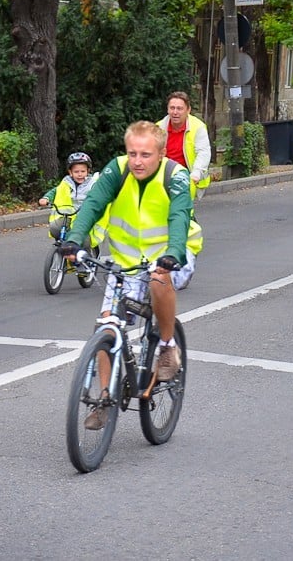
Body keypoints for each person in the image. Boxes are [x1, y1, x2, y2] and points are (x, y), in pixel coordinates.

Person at [60, 121, 202, 429]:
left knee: (158, 279)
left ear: (162, 153)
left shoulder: (175, 176)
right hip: (126, 263)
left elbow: (178, 217)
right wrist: (74, 237)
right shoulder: (117, 169)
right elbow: (94, 203)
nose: (137, 161)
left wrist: (173, 253)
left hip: (172, 256)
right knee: (107, 325)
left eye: (146, 154)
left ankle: (166, 347)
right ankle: (103, 398)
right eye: (132, 153)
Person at [38, 152, 101, 251]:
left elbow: (99, 195)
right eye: (76, 172)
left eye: (83, 171)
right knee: (55, 228)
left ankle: (85, 260)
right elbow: (56, 191)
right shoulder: (66, 182)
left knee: (84, 240)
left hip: (84, 216)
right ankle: (64, 248)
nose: (80, 174)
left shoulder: (92, 184)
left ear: (88, 171)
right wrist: (46, 198)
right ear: (70, 172)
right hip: (69, 215)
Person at [156, 91, 212, 200]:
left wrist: (196, 173)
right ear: (167, 109)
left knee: (181, 211)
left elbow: (203, 152)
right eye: (172, 108)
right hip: (163, 178)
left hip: (187, 179)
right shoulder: (158, 127)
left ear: (188, 110)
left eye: (179, 108)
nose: (175, 112)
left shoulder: (198, 127)